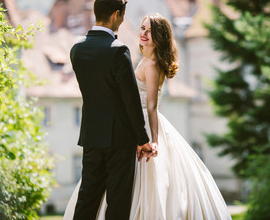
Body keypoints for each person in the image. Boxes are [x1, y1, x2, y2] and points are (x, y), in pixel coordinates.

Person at [65, 12, 232, 219]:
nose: (144, 33)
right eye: (143, 28)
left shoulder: (152, 65)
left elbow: (152, 106)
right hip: (133, 121)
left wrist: (153, 140)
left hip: (142, 121)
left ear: (160, 37)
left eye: (150, 31)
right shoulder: (145, 60)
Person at [68, 0, 153, 220]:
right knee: (118, 201)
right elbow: (130, 99)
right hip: (120, 139)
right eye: (123, 15)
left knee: (87, 199)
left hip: (91, 136)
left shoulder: (77, 50)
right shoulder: (118, 51)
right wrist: (142, 139)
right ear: (116, 14)